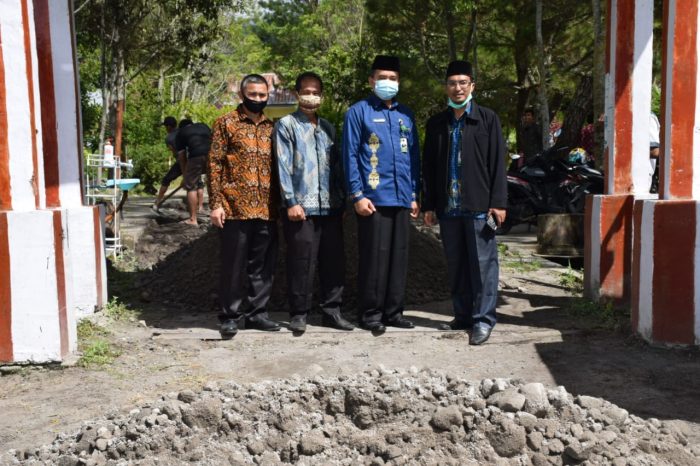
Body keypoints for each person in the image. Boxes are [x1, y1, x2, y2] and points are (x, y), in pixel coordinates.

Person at [422, 60, 507, 345]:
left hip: (479, 207)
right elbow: (430, 167)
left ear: (472, 86)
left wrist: (498, 202)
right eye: (452, 83)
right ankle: (463, 315)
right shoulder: (437, 124)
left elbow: (498, 163)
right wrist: (429, 205)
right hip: (449, 208)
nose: (457, 88)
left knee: (483, 266)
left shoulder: (487, 119)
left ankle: (483, 320)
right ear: (445, 87)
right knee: (456, 264)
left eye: (463, 83)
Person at [342, 55, 421, 333]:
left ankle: (394, 311)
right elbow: (350, 155)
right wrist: (357, 194)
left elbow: (413, 156)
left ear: (399, 82)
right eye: (382, 77)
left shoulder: (406, 115)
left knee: (398, 258)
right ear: (371, 80)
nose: (388, 82)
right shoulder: (358, 112)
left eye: (393, 78)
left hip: (401, 198)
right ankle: (371, 314)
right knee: (374, 258)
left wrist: (413, 194)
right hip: (373, 199)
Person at [274, 72, 354, 333]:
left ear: (322, 95)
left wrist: (342, 202)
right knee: (301, 261)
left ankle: (332, 310)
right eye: (306, 91)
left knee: (334, 261)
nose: (311, 96)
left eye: (316, 91)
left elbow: (338, 166)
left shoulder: (328, 127)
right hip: (301, 209)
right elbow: (282, 166)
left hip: (330, 207)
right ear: (297, 94)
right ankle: (299, 313)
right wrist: (291, 201)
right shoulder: (286, 125)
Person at [208, 73, 281, 338]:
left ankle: (257, 314)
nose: (258, 99)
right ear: (242, 94)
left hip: (267, 208)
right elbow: (214, 165)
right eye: (253, 95)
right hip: (234, 207)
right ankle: (230, 316)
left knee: (262, 266)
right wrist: (216, 204)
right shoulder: (225, 123)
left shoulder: (273, 128)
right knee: (233, 265)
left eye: (263, 95)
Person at [175, 119, 209, 225]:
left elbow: (181, 157)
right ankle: (217, 214)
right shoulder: (203, 126)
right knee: (213, 183)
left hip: (196, 156)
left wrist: (186, 177)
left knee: (191, 187)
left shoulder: (180, 134)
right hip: (213, 154)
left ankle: (193, 219)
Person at [152, 116, 182, 211]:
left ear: (169, 127)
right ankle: (200, 207)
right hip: (195, 159)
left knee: (166, 180)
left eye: (165, 127)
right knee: (197, 183)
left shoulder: (169, 138)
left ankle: (158, 202)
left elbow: (174, 152)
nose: (165, 129)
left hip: (182, 161)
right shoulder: (183, 131)